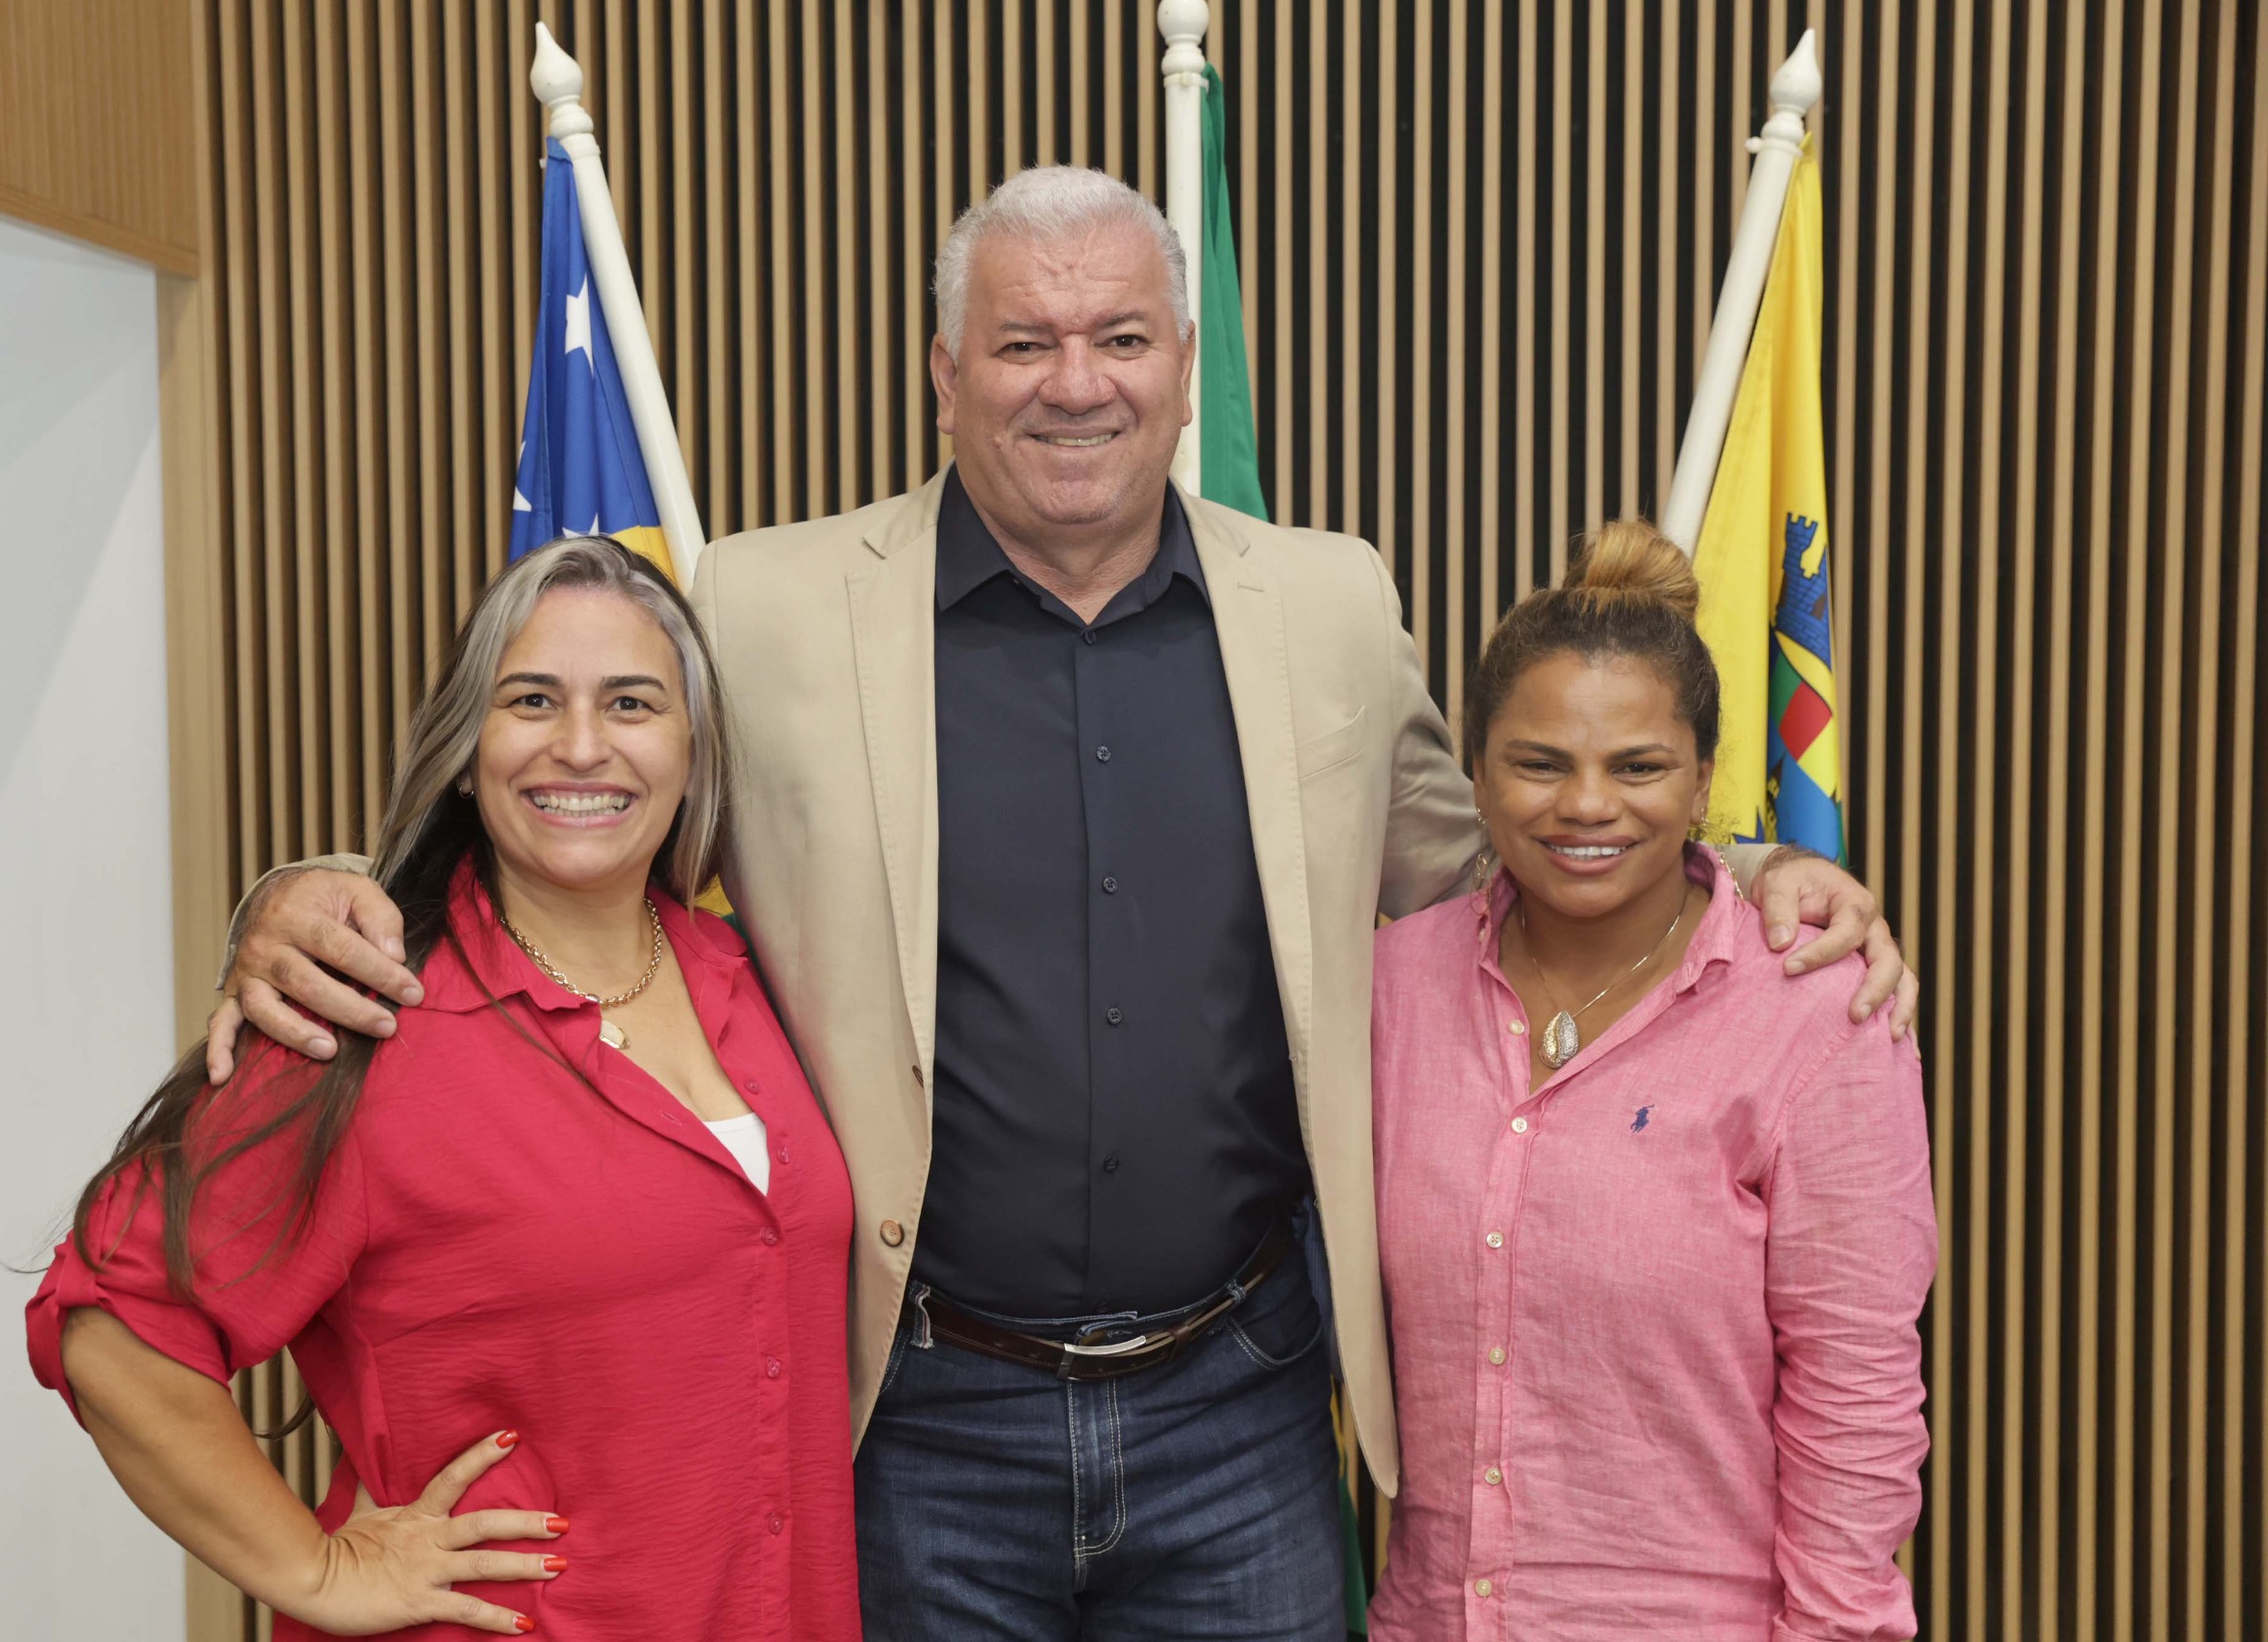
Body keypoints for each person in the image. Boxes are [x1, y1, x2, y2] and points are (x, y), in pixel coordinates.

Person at [213, 168, 1917, 1638]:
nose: (1074, 384)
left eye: (1119, 339)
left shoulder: (1326, 602)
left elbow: (1499, 863)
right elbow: (582, 795)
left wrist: (1759, 870)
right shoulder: (765, 603)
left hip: (1242, 1406)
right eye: (1023, 342)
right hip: (920, 1411)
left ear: (1182, 369)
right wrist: (318, 887)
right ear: (944, 372)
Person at [28, 540, 860, 1641]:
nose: (581, 744)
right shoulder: (363, 1022)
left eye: (631, 702)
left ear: (693, 750)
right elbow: (115, 1320)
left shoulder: (761, 977)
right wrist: (317, 1569)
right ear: (467, 751)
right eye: (531, 699)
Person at [1367, 522, 1934, 1640]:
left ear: (1702, 778)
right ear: (1474, 772)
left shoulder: (1816, 1012)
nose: (1586, 803)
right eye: (1539, 762)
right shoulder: (1391, 992)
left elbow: (1856, 1395)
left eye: (1637, 765)